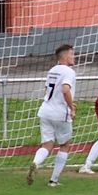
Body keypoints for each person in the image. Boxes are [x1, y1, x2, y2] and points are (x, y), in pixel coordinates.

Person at [27, 44, 77, 187]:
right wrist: (71, 107)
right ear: (65, 56)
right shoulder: (69, 72)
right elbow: (65, 90)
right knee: (65, 145)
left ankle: (36, 163)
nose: (74, 57)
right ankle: (53, 180)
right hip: (60, 112)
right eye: (72, 54)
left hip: (45, 111)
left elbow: (46, 89)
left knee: (47, 144)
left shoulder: (52, 70)